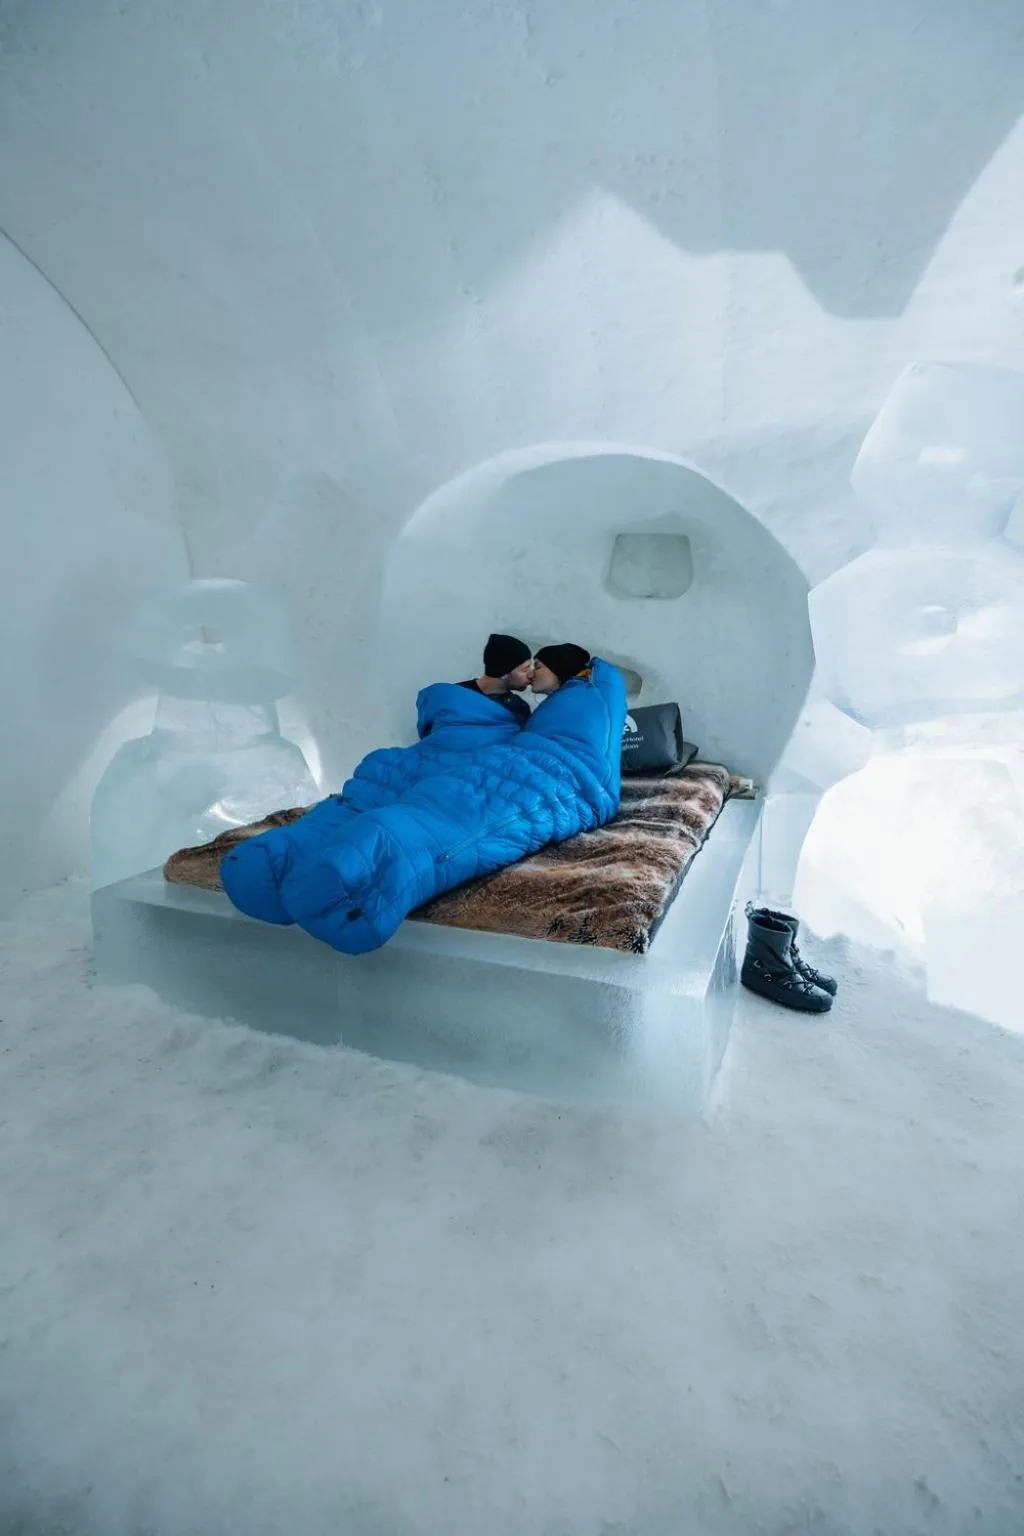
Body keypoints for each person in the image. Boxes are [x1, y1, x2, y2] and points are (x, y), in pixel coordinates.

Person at [459, 633, 534, 723]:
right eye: (525, 670)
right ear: (503, 673)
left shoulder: (519, 708)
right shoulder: (458, 697)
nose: (531, 675)